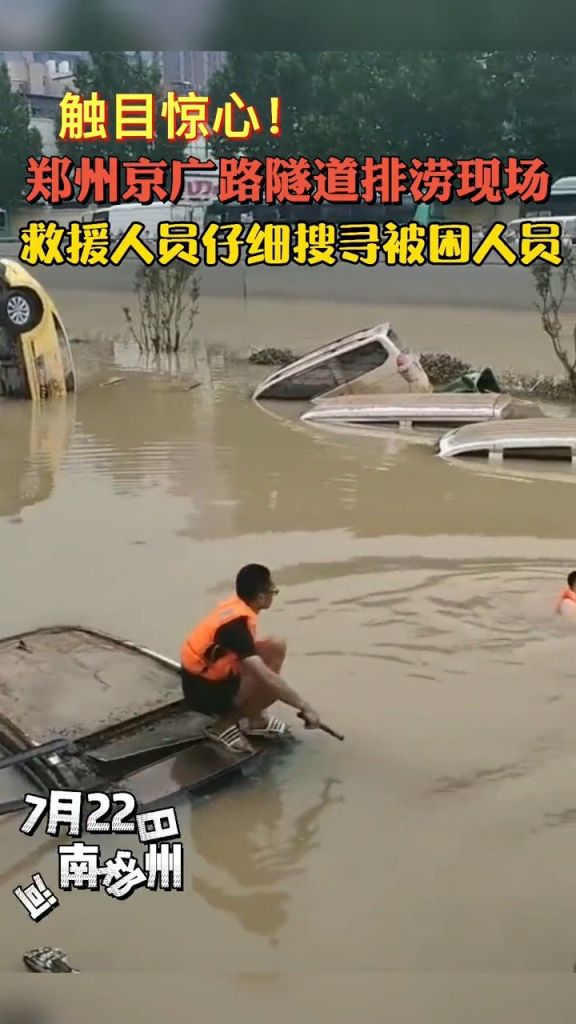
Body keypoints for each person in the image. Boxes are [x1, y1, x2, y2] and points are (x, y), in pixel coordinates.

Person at [180, 564, 322, 754]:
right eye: (273, 591)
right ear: (261, 597)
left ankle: (256, 719)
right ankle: (221, 727)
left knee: (276, 645)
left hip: (205, 675)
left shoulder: (237, 605)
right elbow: (268, 678)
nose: (274, 595)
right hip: (202, 691)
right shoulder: (235, 627)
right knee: (271, 686)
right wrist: (305, 706)